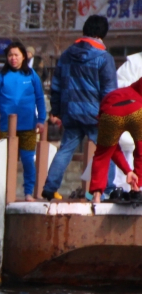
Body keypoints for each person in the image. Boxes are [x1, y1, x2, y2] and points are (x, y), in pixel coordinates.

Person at [42, 15, 117, 201]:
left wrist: (56, 109)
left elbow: (56, 85)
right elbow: (109, 91)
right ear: (102, 34)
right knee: (108, 148)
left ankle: (50, 187)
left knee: (65, 150)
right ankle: (106, 189)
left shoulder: (67, 55)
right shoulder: (104, 57)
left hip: (71, 113)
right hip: (95, 115)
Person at [0, 41, 46, 201]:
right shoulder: (1, 76)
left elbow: (40, 98)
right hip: (6, 127)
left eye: (16, 55)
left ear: (23, 57)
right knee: (6, 161)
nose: (13, 58)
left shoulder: (32, 75)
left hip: (28, 125)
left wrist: (41, 119)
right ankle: (4, 192)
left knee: (28, 160)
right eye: (10, 55)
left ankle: (28, 192)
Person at [87, 78, 142, 203]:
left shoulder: (111, 96)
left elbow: (112, 150)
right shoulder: (136, 91)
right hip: (137, 111)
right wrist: (131, 172)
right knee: (140, 150)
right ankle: (136, 188)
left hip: (110, 112)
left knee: (102, 155)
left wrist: (127, 170)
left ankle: (96, 196)